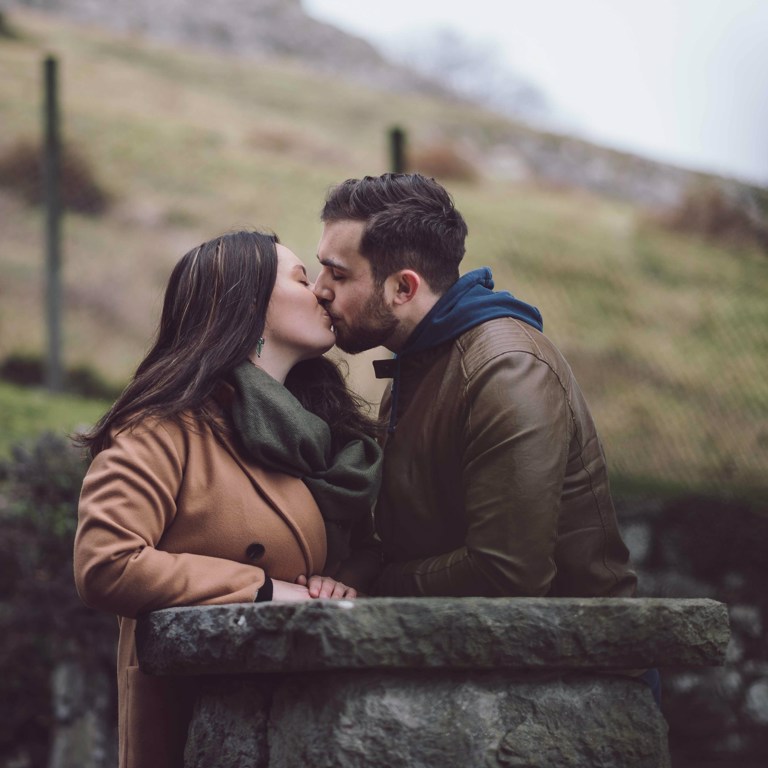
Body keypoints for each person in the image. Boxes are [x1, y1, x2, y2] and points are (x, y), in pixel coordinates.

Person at [73, 230, 382, 768]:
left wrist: (337, 576)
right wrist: (261, 589)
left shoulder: (318, 435)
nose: (323, 294)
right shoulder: (163, 427)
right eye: (302, 280)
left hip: (297, 719)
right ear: (247, 303)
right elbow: (106, 563)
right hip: (192, 718)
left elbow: (348, 549)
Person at [312, 173, 637, 601]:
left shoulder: (507, 372)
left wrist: (373, 586)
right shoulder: (419, 361)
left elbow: (507, 575)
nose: (319, 290)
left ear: (403, 288)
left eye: (337, 274)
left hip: (580, 660)